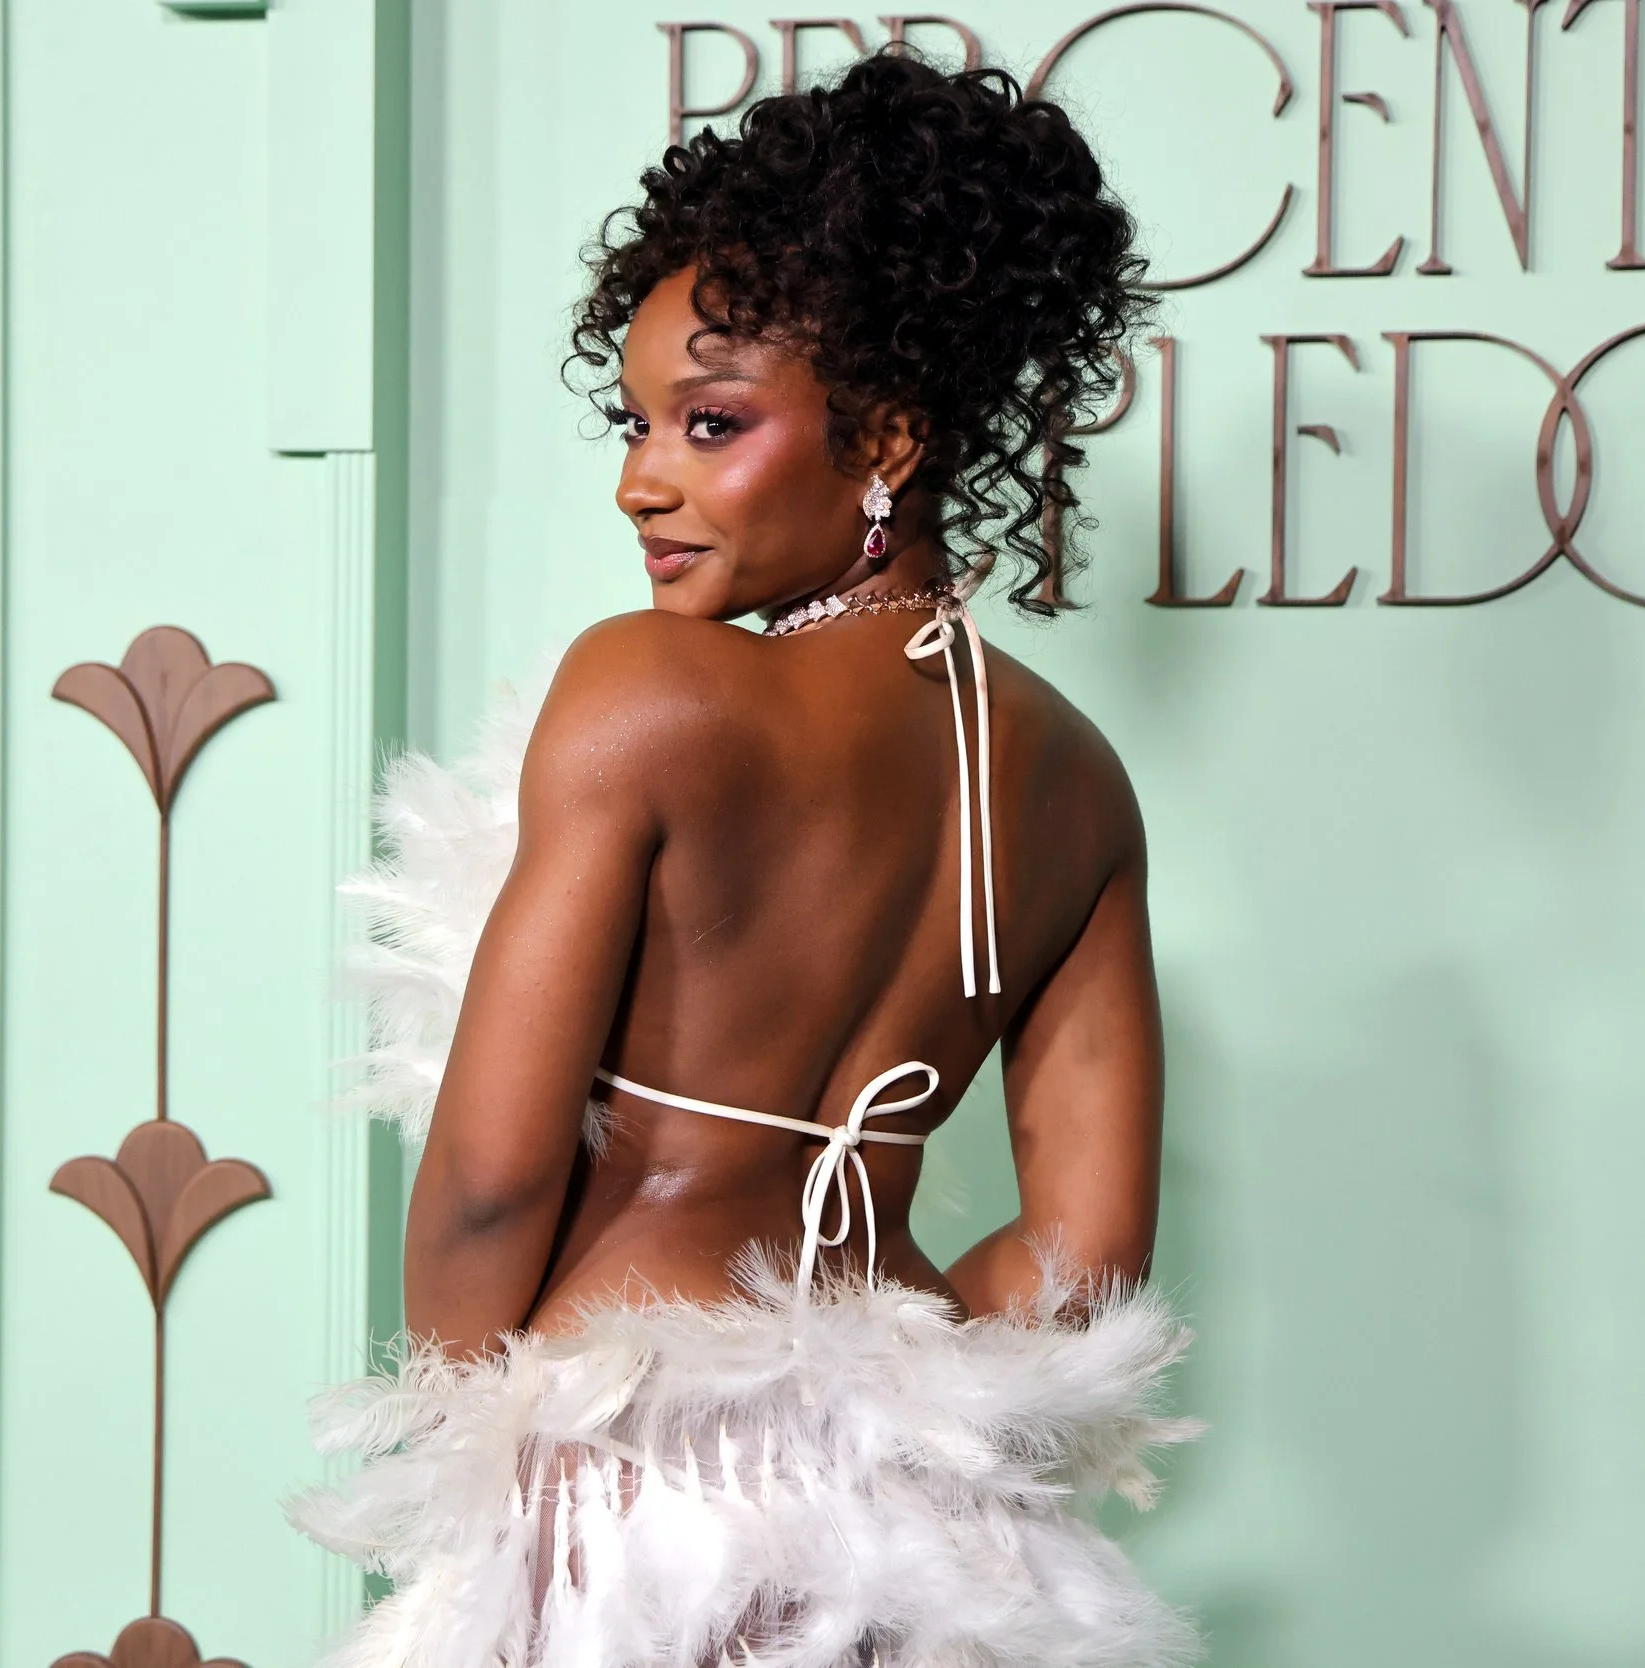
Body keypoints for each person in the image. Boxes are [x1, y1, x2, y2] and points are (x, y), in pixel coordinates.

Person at [295, 50, 1198, 1668]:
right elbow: (1085, 1270)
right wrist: (879, 1363)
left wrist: (465, 1427)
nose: (645, 478)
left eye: (712, 425)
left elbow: (497, 1174)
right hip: (902, 1517)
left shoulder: (650, 690)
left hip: (623, 1471)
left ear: (892, 437)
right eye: (636, 422)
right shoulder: (1077, 783)